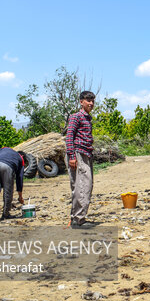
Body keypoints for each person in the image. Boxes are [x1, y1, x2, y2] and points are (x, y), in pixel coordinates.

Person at [65, 90, 95, 227]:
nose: (91, 103)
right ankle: (79, 220)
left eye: (93, 100)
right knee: (83, 186)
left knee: (80, 186)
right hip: (78, 154)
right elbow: (69, 136)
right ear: (81, 102)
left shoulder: (87, 118)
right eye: (88, 100)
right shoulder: (76, 117)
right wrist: (72, 156)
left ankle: (75, 217)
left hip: (85, 154)